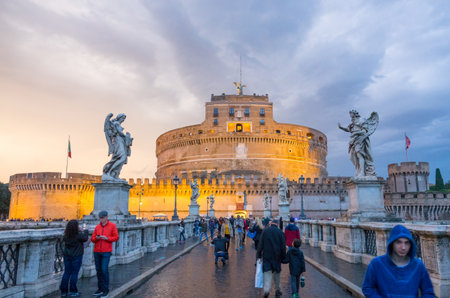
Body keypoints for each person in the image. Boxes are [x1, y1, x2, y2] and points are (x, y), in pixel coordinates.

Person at [362, 225, 435, 297]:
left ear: (411, 244)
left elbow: (428, 292)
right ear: (392, 243)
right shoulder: (376, 264)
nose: (403, 247)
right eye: (398, 242)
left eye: (407, 243)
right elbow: (367, 288)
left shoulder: (418, 265)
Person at [91, 211, 119, 297]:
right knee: (98, 270)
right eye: (100, 218)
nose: (101, 219)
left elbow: (116, 237)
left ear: (106, 217)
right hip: (97, 252)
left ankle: (105, 290)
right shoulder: (97, 227)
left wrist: (107, 238)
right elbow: (92, 239)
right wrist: (96, 238)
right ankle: (100, 289)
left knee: (104, 270)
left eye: (102, 218)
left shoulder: (112, 226)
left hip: (106, 252)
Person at [257, 219, 287, 298]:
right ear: (277, 224)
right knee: (277, 274)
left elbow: (260, 245)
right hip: (277, 257)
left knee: (267, 274)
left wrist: (258, 256)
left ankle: (267, 291)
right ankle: (277, 290)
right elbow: (283, 247)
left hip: (267, 256)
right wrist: (283, 257)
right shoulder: (280, 233)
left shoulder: (265, 231)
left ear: (271, 224)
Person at [60, 220, 89, 297]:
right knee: (74, 273)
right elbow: (85, 238)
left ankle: (63, 292)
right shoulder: (78, 235)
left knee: (66, 273)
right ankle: (73, 291)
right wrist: (85, 230)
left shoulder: (66, 235)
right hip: (77, 256)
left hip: (67, 256)